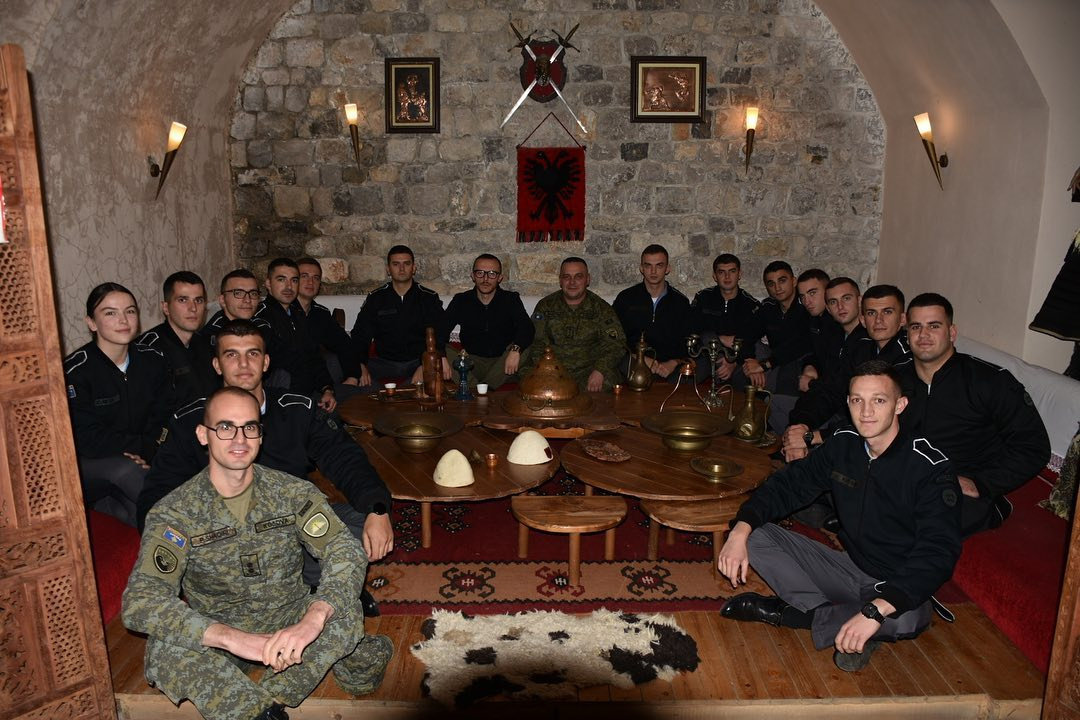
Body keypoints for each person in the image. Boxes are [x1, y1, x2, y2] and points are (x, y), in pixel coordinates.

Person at [123, 387, 393, 720]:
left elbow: (344, 549)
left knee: (344, 613)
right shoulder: (174, 512)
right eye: (225, 427)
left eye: (249, 427)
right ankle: (259, 712)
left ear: (260, 436)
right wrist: (231, 639)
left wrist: (313, 618)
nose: (239, 438)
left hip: (291, 620)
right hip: (220, 631)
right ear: (203, 435)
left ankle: (275, 692)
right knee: (163, 650)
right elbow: (141, 601)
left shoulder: (291, 492)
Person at [717, 361, 962, 672]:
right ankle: (840, 620)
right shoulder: (844, 443)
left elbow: (938, 551)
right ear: (848, 403)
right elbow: (788, 485)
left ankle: (793, 615)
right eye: (857, 400)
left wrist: (876, 610)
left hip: (896, 581)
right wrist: (740, 530)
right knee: (754, 534)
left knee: (910, 618)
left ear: (900, 405)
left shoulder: (930, 468)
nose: (866, 412)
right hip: (848, 566)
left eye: (879, 400)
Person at [138, 318, 391, 615]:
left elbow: (345, 458)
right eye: (232, 355)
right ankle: (284, 592)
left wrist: (377, 508)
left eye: (253, 353)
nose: (243, 364)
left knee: (361, 523)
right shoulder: (191, 421)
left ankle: (320, 586)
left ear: (266, 362)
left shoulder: (297, 409)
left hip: (291, 526)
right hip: (225, 538)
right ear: (217, 365)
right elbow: (158, 493)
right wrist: (176, 552)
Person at [901, 293, 1051, 535]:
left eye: (934, 326)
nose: (923, 335)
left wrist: (982, 483)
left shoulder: (990, 381)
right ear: (907, 333)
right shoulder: (894, 380)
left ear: (952, 333)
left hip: (959, 487)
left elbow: (1034, 446)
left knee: (918, 524)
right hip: (906, 477)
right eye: (916, 327)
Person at [64, 283, 173, 527]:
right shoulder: (75, 371)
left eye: (130, 311)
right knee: (127, 470)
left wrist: (149, 450)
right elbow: (87, 438)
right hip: (89, 464)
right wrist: (140, 451)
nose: (123, 320)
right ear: (92, 323)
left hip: (142, 458)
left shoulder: (153, 360)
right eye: (110, 313)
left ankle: (109, 507)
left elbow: (164, 416)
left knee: (136, 514)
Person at [784, 284, 912, 461]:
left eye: (887, 312)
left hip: (880, 444)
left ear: (903, 319)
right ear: (862, 319)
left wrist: (812, 437)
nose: (878, 320)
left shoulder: (908, 359)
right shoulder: (862, 348)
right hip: (844, 423)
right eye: (871, 313)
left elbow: (876, 420)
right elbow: (832, 389)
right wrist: (801, 425)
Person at [345, 245, 447, 389]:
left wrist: (425, 365)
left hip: (417, 362)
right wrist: (360, 364)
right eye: (396, 264)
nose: (402, 268)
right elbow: (360, 335)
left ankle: (401, 391)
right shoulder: (376, 299)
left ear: (414, 268)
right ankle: (386, 392)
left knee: (433, 374)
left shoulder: (428, 298)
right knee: (344, 368)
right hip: (384, 363)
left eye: (406, 264)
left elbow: (439, 334)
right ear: (388, 269)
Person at [521, 256, 627, 391]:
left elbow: (616, 344)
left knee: (608, 380)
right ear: (560, 280)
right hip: (552, 369)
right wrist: (546, 371)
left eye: (578, 277)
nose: (572, 282)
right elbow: (536, 343)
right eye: (567, 277)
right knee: (527, 378)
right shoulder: (546, 306)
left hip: (588, 371)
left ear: (587, 279)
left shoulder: (601, 308)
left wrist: (600, 370)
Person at [254, 258, 336, 412]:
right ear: (268, 284)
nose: (288, 286)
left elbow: (314, 356)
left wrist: (327, 389)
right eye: (281, 279)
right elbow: (280, 361)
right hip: (279, 395)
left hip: (307, 390)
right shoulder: (261, 316)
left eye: (294, 280)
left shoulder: (298, 314)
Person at [443, 253, 534, 389]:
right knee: (438, 349)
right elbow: (440, 330)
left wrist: (515, 350)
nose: (485, 279)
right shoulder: (461, 300)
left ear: (499, 278)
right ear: (473, 276)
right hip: (471, 363)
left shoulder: (510, 300)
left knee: (526, 347)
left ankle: (483, 387)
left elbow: (527, 328)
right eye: (480, 273)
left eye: (492, 274)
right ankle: (477, 388)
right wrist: (442, 356)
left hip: (502, 364)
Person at [136, 270, 218, 408]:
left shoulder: (206, 344)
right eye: (183, 300)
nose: (193, 308)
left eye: (198, 300)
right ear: (166, 308)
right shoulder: (148, 350)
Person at [612, 244, 691, 381]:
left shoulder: (680, 302)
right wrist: (640, 358)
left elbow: (687, 342)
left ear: (667, 268)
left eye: (659, 266)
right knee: (623, 363)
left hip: (669, 366)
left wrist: (674, 362)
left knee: (691, 371)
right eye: (648, 266)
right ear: (641, 268)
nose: (653, 271)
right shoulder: (626, 299)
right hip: (634, 361)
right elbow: (615, 338)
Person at [742, 260, 812, 393]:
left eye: (782, 281)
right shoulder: (768, 307)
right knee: (742, 374)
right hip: (774, 358)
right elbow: (748, 334)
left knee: (787, 375)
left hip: (800, 361)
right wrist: (750, 361)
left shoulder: (806, 305)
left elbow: (800, 345)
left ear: (794, 281)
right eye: (771, 284)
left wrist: (764, 365)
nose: (777, 288)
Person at [295, 257, 356, 387]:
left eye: (316, 278)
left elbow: (344, 344)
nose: (310, 282)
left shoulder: (321, 313)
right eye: (304, 276)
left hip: (321, 379)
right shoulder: (284, 311)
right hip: (293, 379)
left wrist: (353, 375)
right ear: (294, 280)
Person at [794, 269, 843, 394]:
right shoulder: (812, 318)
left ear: (828, 292)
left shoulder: (840, 322)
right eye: (802, 296)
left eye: (812, 293)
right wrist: (810, 366)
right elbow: (810, 351)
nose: (807, 302)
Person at [202, 269, 272, 341]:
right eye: (238, 293)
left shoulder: (263, 326)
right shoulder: (212, 335)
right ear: (223, 300)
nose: (248, 300)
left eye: (253, 293)